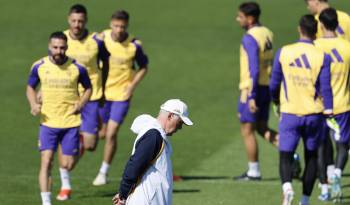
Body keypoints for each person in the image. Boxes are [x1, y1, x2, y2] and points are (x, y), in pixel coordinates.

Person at [270, 15, 333, 205]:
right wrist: (329, 109)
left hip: (290, 113)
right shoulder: (322, 56)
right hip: (314, 115)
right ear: (317, 31)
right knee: (312, 157)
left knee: (285, 155)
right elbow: (326, 87)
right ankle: (305, 200)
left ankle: (287, 187)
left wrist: (276, 101)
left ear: (299, 29)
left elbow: (274, 83)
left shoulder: (284, 52)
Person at [26, 31, 92, 205]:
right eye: (55, 47)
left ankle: (80, 144)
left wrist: (81, 103)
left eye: (62, 47)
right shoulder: (39, 66)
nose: (58, 51)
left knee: (67, 164)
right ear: (49, 47)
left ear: (67, 48)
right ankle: (46, 202)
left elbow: (88, 88)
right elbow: (30, 87)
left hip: (71, 122)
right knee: (46, 162)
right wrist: (33, 104)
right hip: (48, 123)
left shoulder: (77, 68)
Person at [53, 4, 107, 201]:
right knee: (63, 138)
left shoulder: (96, 41)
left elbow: (105, 63)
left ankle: (80, 138)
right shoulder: (61, 41)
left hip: (92, 97)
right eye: (74, 21)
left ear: (86, 21)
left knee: (92, 144)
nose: (77, 24)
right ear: (69, 20)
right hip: (69, 97)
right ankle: (65, 185)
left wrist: (104, 90)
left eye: (81, 21)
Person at [93, 10, 149, 186]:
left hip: (121, 96)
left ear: (127, 26)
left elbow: (144, 67)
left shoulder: (134, 45)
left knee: (111, 133)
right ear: (111, 24)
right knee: (102, 134)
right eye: (116, 26)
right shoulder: (101, 39)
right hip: (102, 94)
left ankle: (103, 171)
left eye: (122, 27)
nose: (119, 30)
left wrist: (131, 86)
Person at [112, 99, 193, 205]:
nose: (180, 127)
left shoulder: (157, 135)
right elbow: (135, 165)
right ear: (170, 116)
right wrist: (123, 194)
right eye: (180, 123)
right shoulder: (153, 136)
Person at [235, 2, 279, 180]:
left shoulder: (249, 37)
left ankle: (254, 171)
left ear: (250, 18)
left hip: (251, 88)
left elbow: (253, 68)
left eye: (240, 16)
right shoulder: (267, 33)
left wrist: (251, 96)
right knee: (261, 127)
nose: (237, 19)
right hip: (266, 86)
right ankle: (290, 155)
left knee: (247, 130)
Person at [314, 8, 350, 202]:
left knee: (321, 147)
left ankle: (325, 190)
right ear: (337, 24)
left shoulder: (315, 46)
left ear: (321, 24)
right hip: (343, 104)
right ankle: (337, 172)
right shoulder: (347, 46)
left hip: (320, 106)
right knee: (342, 144)